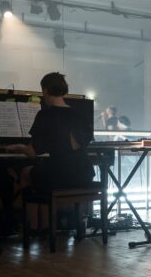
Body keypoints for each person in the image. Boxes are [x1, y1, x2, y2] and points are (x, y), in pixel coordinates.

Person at [7, 72, 95, 230]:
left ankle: (32, 227)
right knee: (43, 172)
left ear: (46, 91)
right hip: (84, 173)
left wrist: (19, 148)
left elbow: (34, 152)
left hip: (60, 175)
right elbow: (83, 142)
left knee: (27, 173)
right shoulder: (79, 115)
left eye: (43, 91)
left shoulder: (45, 115)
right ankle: (48, 225)